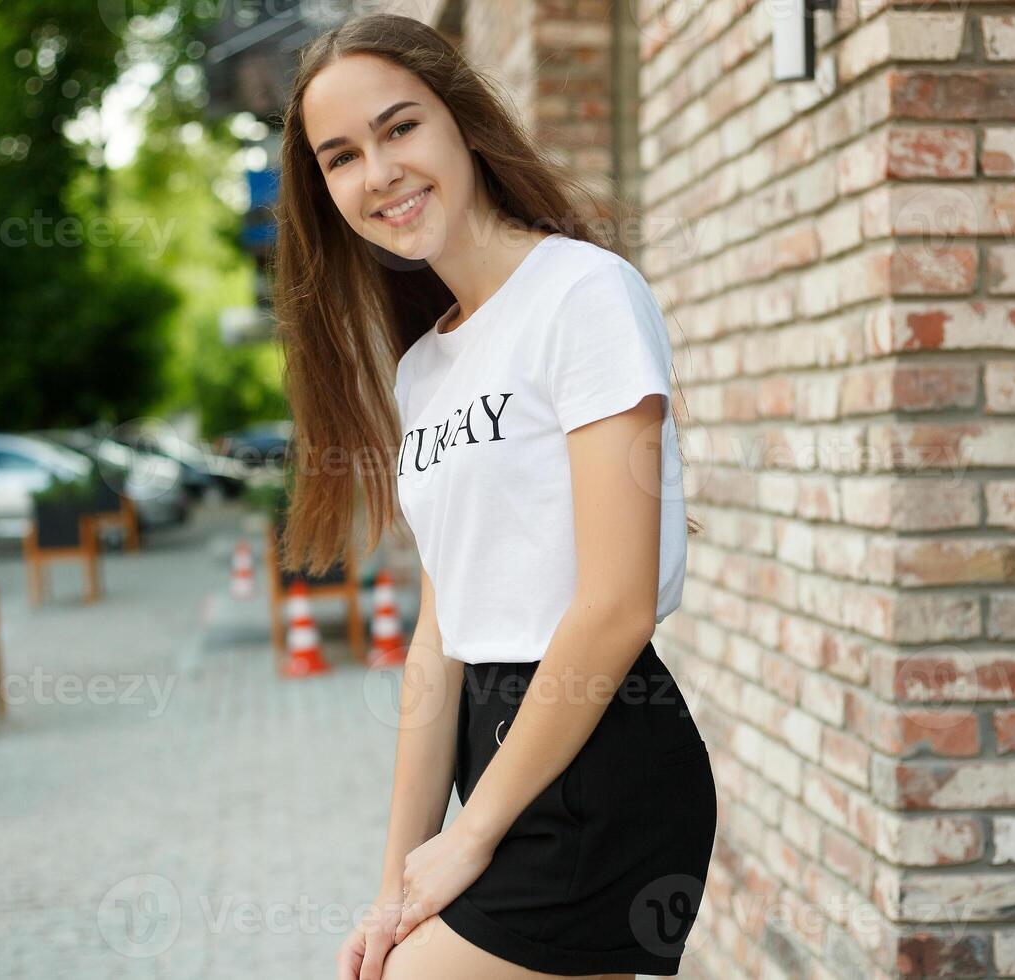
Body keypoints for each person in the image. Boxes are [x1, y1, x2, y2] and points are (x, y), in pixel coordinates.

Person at [270, 13, 717, 980]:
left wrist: (470, 837)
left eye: (399, 129)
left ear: (462, 122)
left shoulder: (582, 296)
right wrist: (392, 891)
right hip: (497, 750)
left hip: (593, 755)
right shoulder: (423, 368)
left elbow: (614, 605)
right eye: (341, 156)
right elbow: (440, 636)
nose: (378, 172)